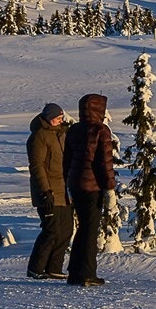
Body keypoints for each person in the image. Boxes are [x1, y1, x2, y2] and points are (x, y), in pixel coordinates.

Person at [61, 92, 116, 287]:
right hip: (92, 186)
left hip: (75, 184)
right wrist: (109, 188)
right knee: (90, 230)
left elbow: (66, 160)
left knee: (83, 227)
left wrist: (67, 181)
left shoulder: (74, 129)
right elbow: (104, 163)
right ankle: (86, 273)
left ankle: (75, 272)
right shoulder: (101, 130)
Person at [26, 103, 72, 279]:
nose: (59, 120)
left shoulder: (62, 134)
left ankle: (54, 267)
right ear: (47, 118)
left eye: (60, 117)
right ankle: (36, 269)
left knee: (66, 230)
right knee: (51, 230)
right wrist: (45, 191)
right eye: (56, 118)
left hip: (64, 192)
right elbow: (37, 166)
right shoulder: (39, 136)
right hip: (48, 191)